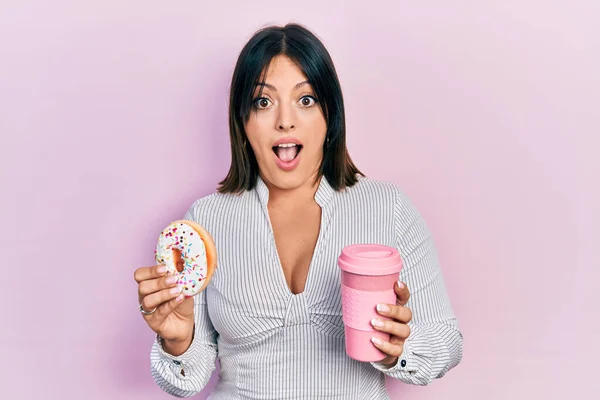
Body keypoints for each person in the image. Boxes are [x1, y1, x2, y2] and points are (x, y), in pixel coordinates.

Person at [133, 23, 463, 399]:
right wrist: (178, 341)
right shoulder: (206, 220)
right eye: (263, 102)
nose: (284, 120)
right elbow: (187, 381)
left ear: (330, 117)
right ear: (243, 123)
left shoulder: (387, 208)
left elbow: (446, 344)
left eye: (305, 100)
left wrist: (399, 347)